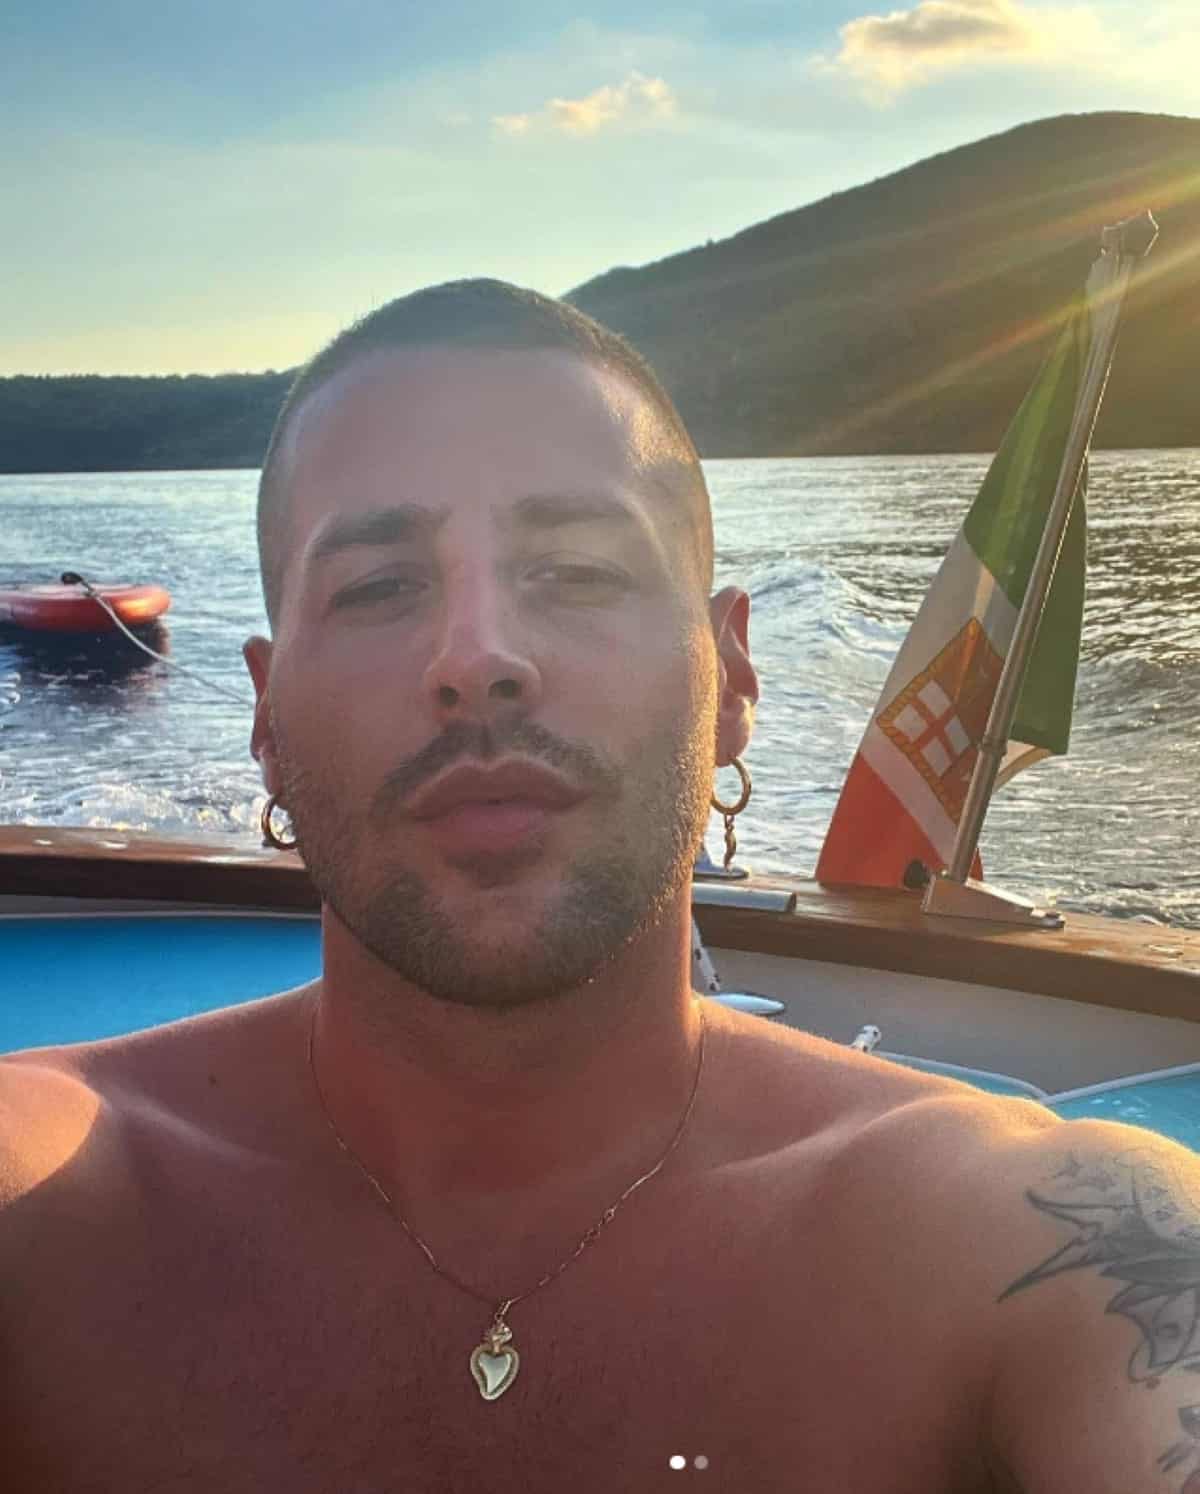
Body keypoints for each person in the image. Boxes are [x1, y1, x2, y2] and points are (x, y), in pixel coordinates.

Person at [3, 279, 1199, 1493]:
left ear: (730, 678)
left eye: (577, 571)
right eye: (376, 587)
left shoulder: (1042, 1247)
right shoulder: (38, 1202)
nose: (477, 658)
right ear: (267, 716)